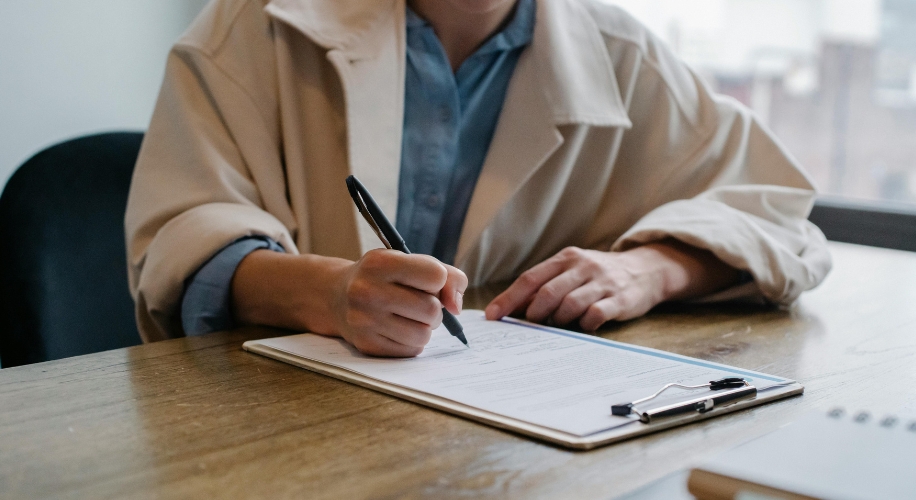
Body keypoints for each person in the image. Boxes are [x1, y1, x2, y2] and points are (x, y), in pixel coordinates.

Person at [125, 0, 832, 356]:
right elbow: (183, 237)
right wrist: (330, 295)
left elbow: (781, 217)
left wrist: (651, 269)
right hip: (279, 433)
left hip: (517, 445)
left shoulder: (621, 55)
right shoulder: (257, 24)